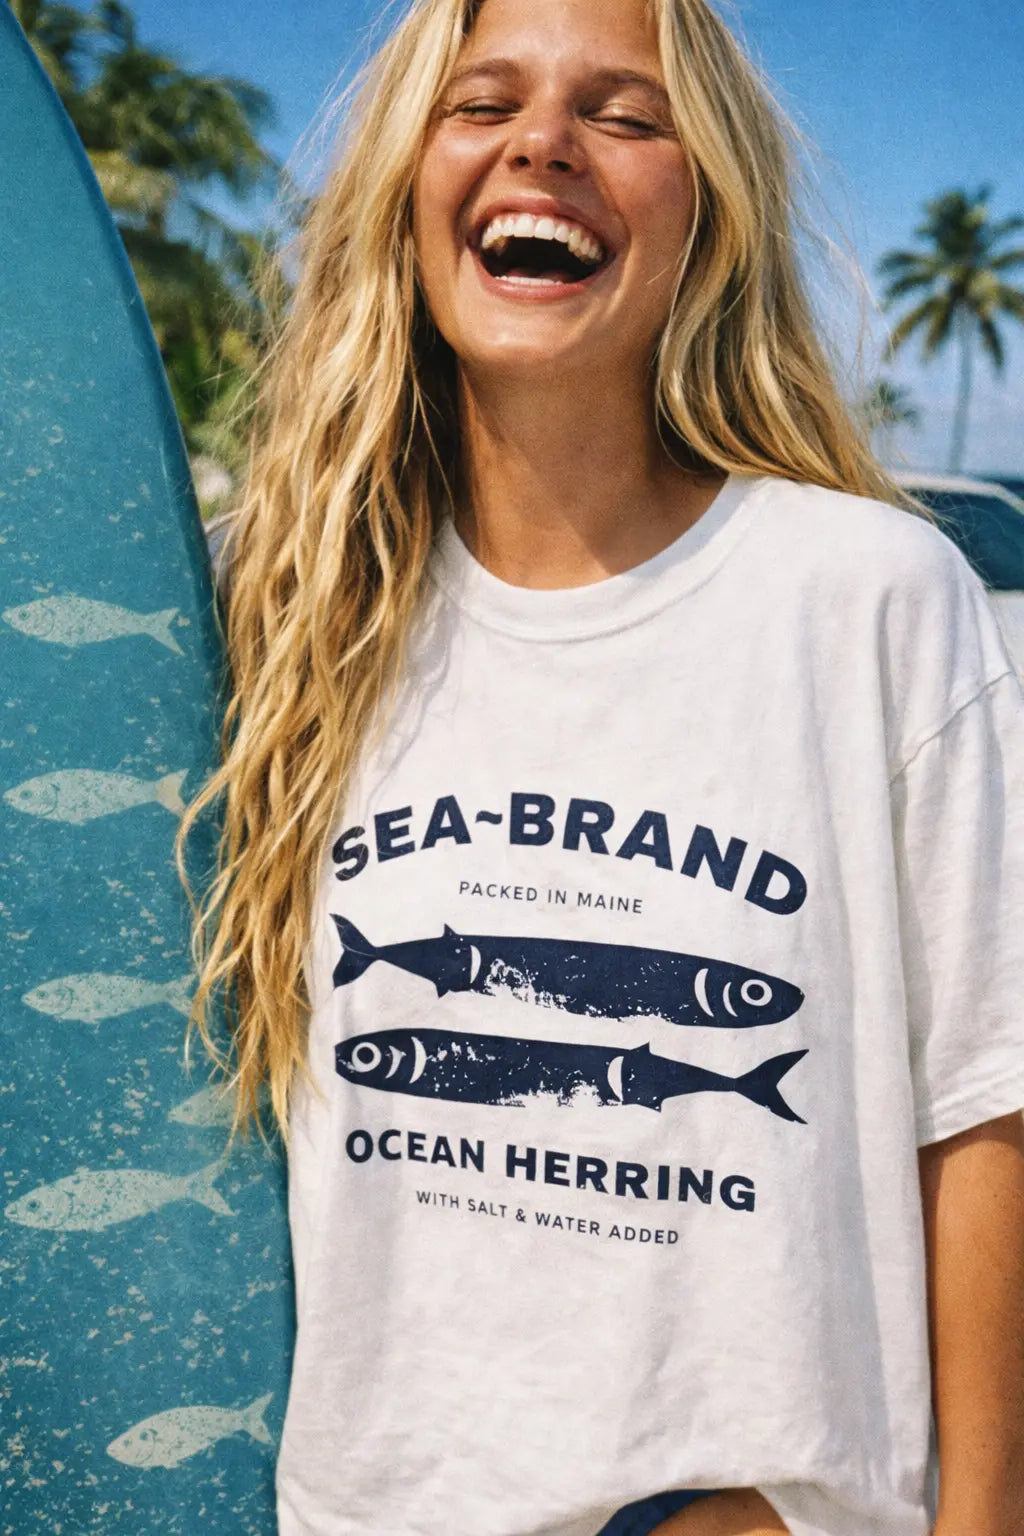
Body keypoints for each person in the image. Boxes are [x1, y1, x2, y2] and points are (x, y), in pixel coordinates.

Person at [186, 0, 1024, 1532]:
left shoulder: (872, 600)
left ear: (707, 211)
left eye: (626, 118)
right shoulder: (289, 619)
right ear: (402, 184)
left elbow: (985, 1110)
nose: (544, 146)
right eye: (480, 101)